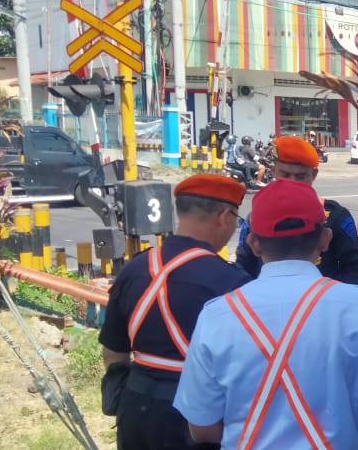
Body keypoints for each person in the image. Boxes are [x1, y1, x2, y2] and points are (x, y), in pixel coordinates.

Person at [174, 179, 358, 448]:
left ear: (255, 244)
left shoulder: (217, 315)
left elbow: (203, 429)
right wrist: (345, 424)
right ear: (325, 239)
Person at [98, 174, 251, 449]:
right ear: (224, 216)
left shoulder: (134, 268)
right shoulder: (231, 281)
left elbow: (113, 352)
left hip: (136, 408)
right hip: (196, 415)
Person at [235, 136, 358, 285]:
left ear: (314, 175)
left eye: (300, 176)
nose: (292, 182)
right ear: (273, 171)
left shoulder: (336, 217)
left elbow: (353, 267)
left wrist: (338, 303)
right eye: (285, 175)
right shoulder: (256, 217)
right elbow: (243, 268)